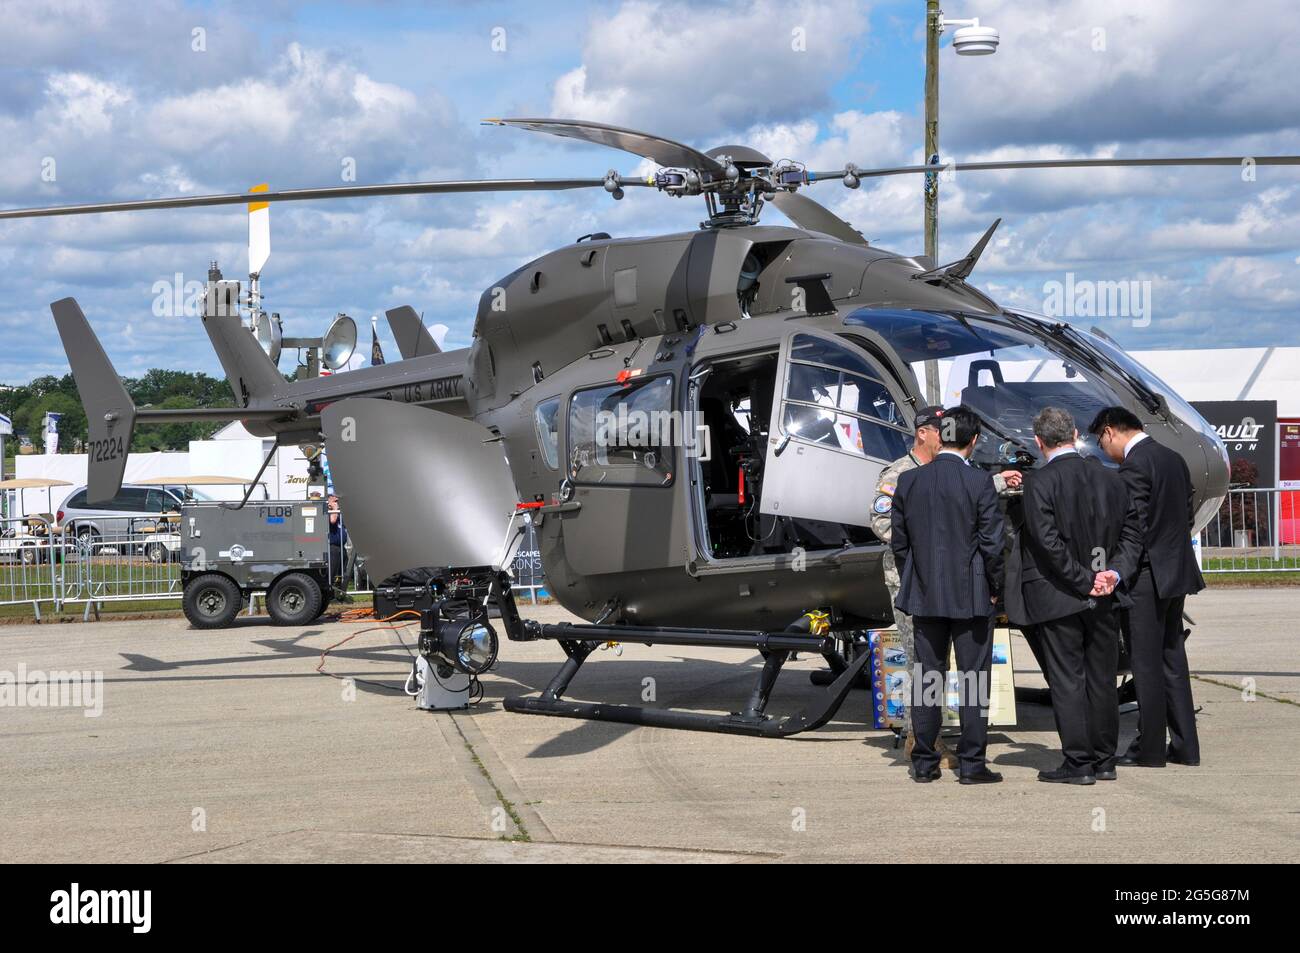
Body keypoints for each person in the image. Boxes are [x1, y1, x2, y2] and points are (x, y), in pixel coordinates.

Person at [872, 406, 1022, 764]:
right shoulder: (897, 474)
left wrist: (1001, 482)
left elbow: (957, 491)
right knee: (921, 665)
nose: (946, 434)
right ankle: (921, 739)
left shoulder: (931, 475)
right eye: (940, 428)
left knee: (938, 665)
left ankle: (926, 746)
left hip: (935, 583)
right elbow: (882, 523)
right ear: (923, 432)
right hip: (914, 583)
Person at [1009, 407, 1141, 784]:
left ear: (1039, 441)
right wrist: (1111, 574)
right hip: (1105, 595)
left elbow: (1046, 543)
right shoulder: (1111, 479)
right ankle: (1105, 759)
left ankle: (1079, 763)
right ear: (1073, 435)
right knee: (1101, 679)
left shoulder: (1040, 483)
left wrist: (1084, 579)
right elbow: (1133, 534)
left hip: (1059, 594)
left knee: (1068, 680)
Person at [1088, 407, 1204, 767]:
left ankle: (1150, 748)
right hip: (1176, 573)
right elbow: (1185, 516)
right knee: (1172, 659)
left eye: (1100, 442)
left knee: (1146, 663)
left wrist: (1118, 571)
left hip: (1146, 577)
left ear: (1109, 432)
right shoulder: (1174, 458)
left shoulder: (1135, 466)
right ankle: (1186, 747)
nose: (1103, 450)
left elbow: (1134, 528)